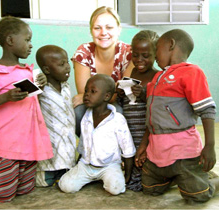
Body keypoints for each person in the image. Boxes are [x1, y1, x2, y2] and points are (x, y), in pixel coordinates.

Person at [135, 29, 219, 203]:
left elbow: (207, 109)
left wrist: (209, 146)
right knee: (150, 189)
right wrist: (144, 144)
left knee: (198, 195)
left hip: (183, 152)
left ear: (171, 45)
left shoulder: (191, 73)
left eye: (157, 48)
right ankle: (183, 176)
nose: (155, 54)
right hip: (157, 152)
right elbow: (154, 113)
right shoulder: (157, 77)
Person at [0, 17, 53, 202]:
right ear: (11, 40)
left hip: (28, 140)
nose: (30, 45)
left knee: (25, 189)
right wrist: (5, 97)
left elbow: (33, 100)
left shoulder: (28, 71)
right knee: (3, 194)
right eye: (27, 40)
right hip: (6, 142)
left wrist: (41, 85)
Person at [58, 74, 136, 195]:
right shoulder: (86, 118)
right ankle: (90, 177)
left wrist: (128, 174)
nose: (87, 95)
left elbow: (128, 149)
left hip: (109, 166)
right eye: (86, 91)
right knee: (66, 186)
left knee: (116, 188)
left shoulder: (117, 120)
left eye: (93, 91)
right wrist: (79, 165)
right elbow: (84, 144)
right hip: (87, 165)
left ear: (106, 96)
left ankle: (105, 177)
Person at [71, 6, 134, 136]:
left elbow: (118, 94)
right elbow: (85, 95)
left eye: (109, 27)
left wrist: (92, 95)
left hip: (122, 104)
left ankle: (117, 153)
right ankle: (88, 150)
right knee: (77, 112)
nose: (103, 33)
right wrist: (90, 96)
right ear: (91, 31)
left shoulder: (129, 53)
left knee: (116, 113)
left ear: (118, 29)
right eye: (97, 28)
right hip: (93, 104)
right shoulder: (83, 52)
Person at [117, 30, 159, 192]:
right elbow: (127, 104)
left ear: (156, 55)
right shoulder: (132, 73)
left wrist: (144, 94)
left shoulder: (157, 77)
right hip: (130, 131)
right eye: (135, 55)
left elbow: (157, 107)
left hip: (145, 134)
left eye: (145, 55)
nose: (139, 60)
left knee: (144, 175)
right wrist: (121, 94)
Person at [35, 45, 77, 187]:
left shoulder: (66, 86)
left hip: (67, 142)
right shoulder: (41, 90)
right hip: (50, 147)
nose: (67, 67)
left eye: (67, 63)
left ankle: (64, 171)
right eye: (61, 64)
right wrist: (39, 84)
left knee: (67, 178)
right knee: (44, 183)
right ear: (47, 70)